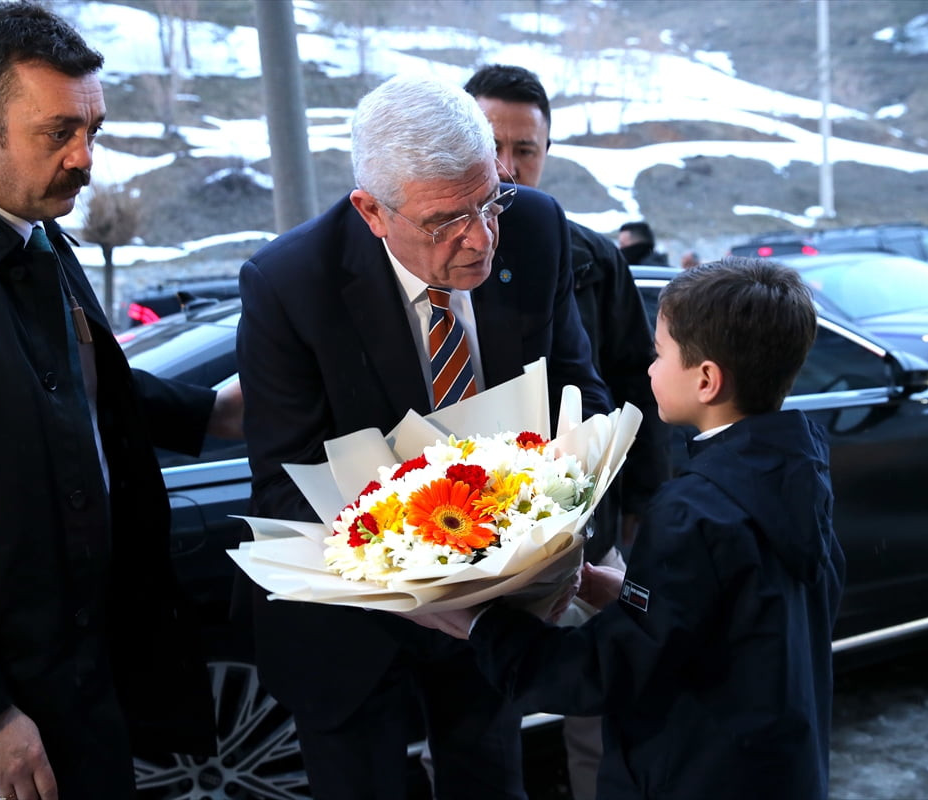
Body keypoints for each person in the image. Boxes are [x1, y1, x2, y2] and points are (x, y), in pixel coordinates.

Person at [235, 74, 610, 800]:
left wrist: (567, 510)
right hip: (351, 625)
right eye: (446, 221)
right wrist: (405, 577)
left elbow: (580, 392)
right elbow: (285, 483)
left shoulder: (535, 228)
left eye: (489, 200)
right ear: (372, 211)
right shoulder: (288, 284)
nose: (482, 238)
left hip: (499, 616)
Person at [0, 3, 245, 800]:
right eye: (58, 132)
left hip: (79, 677)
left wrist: (208, 412)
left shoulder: (30, 223)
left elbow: (67, 379)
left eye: (94, 128)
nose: (86, 158)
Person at [408, 258, 847, 800]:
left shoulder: (693, 512)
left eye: (660, 354)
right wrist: (633, 596)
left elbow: (605, 672)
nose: (649, 369)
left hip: (692, 774)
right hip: (775, 767)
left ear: (707, 380)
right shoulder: (796, 474)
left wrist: (478, 623)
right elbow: (751, 616)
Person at [464, 63, 671, 800]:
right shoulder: (421, 248)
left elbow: (634, 383)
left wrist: (637, 510)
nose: (507, 167)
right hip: (464, 531)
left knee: (601, 715)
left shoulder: (588, 254)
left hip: (584, 527)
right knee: (477, 722)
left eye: (527, 150)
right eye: (491, 143)